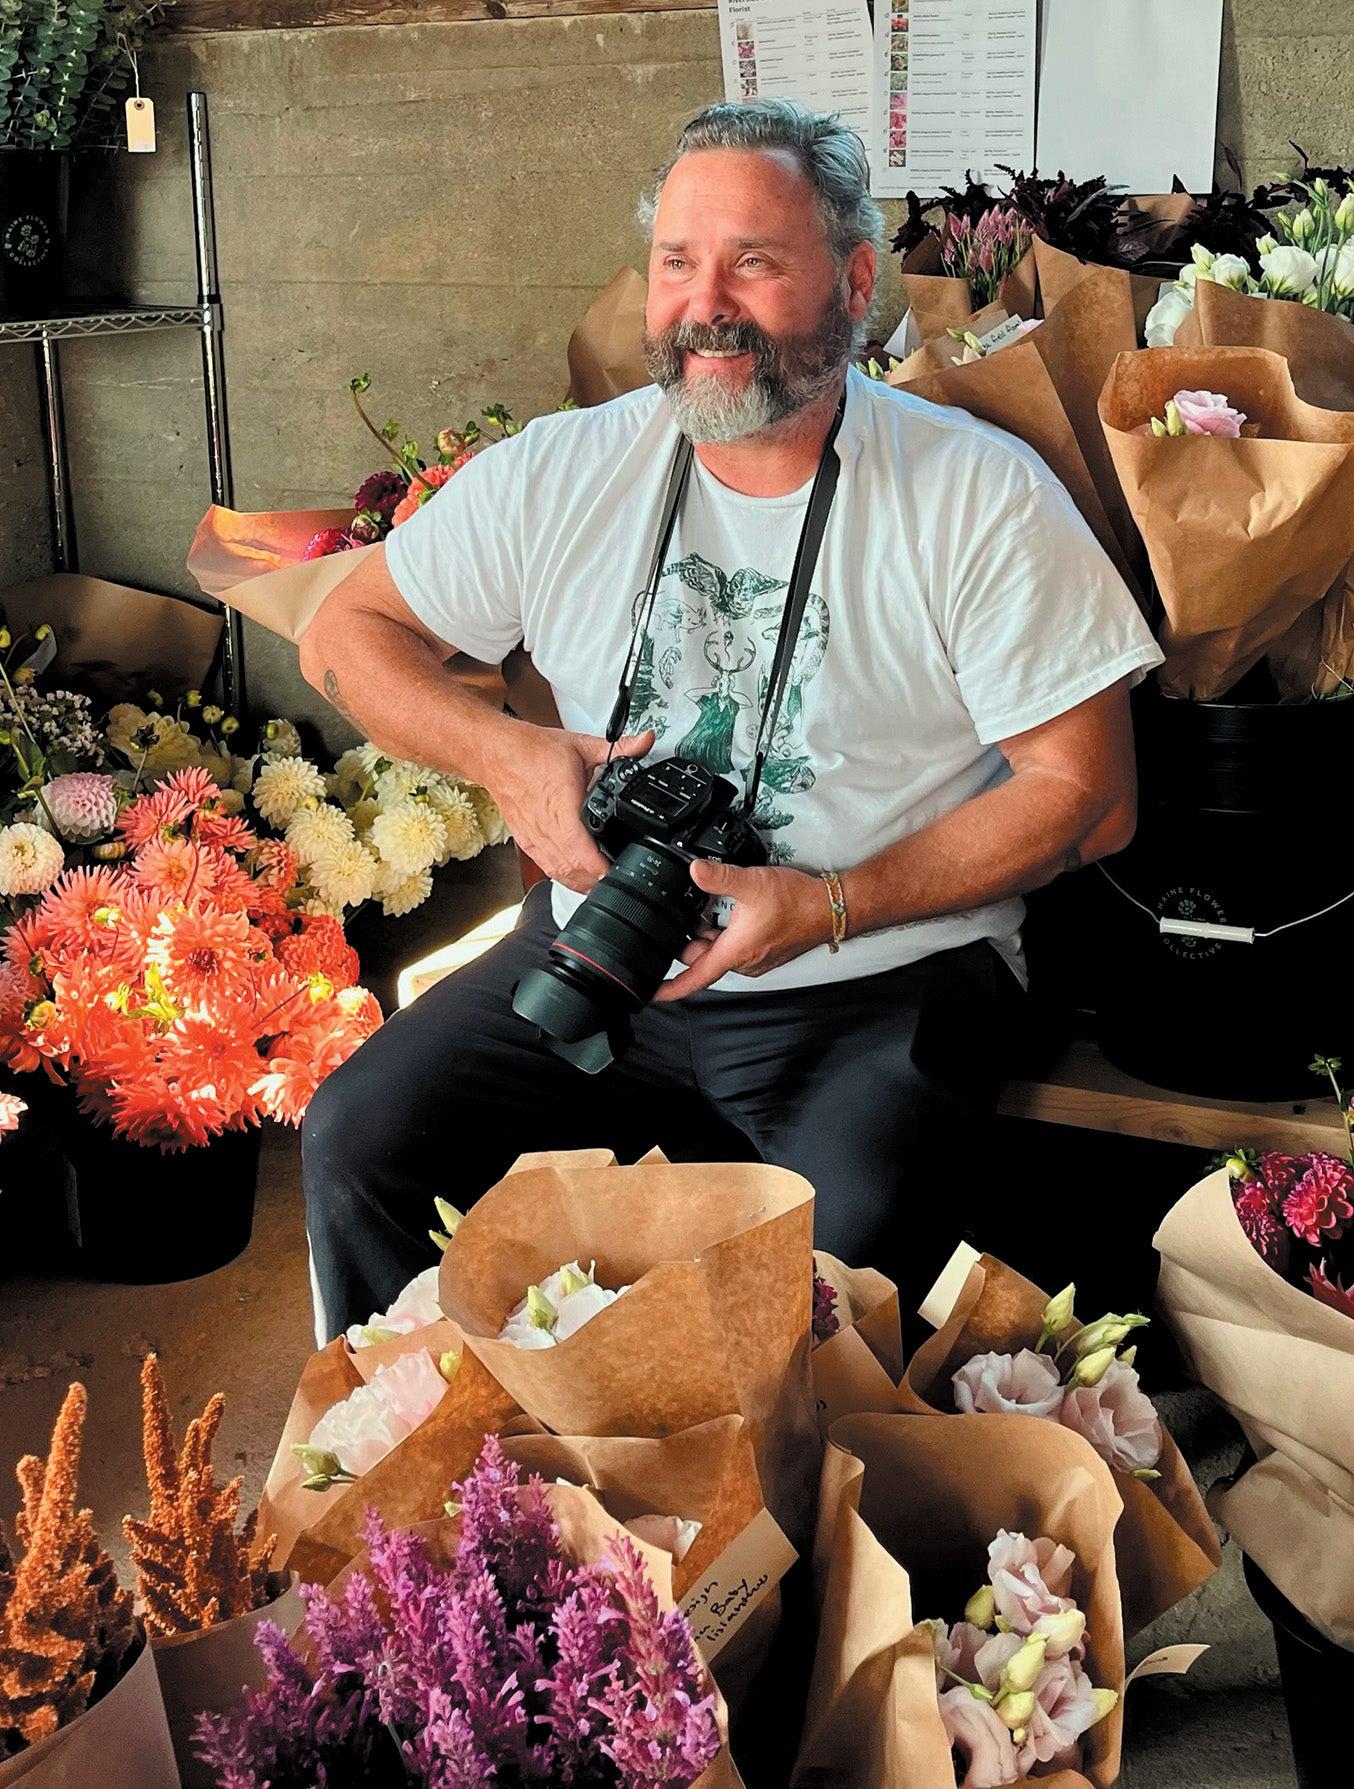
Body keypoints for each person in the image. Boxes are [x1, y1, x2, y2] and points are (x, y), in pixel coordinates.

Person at [298, 98, 1163, 1341]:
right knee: (363, 1136)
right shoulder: (565, 470)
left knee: (823, 1281)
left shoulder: (973, 493)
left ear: (853, 284)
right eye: (676, 263)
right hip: (602, 946)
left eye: (753, 262)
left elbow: (1090, 792)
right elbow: (344, 633)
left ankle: (771, 1535)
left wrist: (828, 903)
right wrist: (511, 756)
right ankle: (436, 1504)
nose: (706, 303)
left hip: (875, 977)